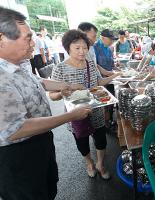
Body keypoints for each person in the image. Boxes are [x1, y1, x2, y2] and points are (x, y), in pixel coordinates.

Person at [0, 7, 91, 199]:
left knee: (48, 186)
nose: (33, 43)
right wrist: (71, 115)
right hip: (17, 155)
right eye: (27, 38)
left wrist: (67, 85)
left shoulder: (19, 63)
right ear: (1, 39)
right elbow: (15, 129)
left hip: (41, 140)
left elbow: (37, 81)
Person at [49, 30, 112, 179]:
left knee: (101, 140)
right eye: (77, 48)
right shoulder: (60, 68)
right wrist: (61, 93)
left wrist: (115, 76)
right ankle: (89, 162)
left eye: (85, 47)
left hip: (95, 109)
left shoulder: (90, 64)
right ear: (68, 48)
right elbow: (52, 96)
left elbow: (98, 83)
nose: (82, 51)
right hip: (75, 113)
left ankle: (100, 164)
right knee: (82, 141)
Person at [94, 29, 118, 127]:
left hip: (110, 80)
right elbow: (95, 66)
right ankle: (104, 124)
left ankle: (109, 121)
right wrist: (109, 73)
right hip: (100, 81)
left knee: (110, 101)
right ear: (102, 37)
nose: (112, 42)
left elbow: (111, 64)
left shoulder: (109, 48)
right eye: (110, 39)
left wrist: (117, 67)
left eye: (113, 40)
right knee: (102, 103)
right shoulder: (94, 48)